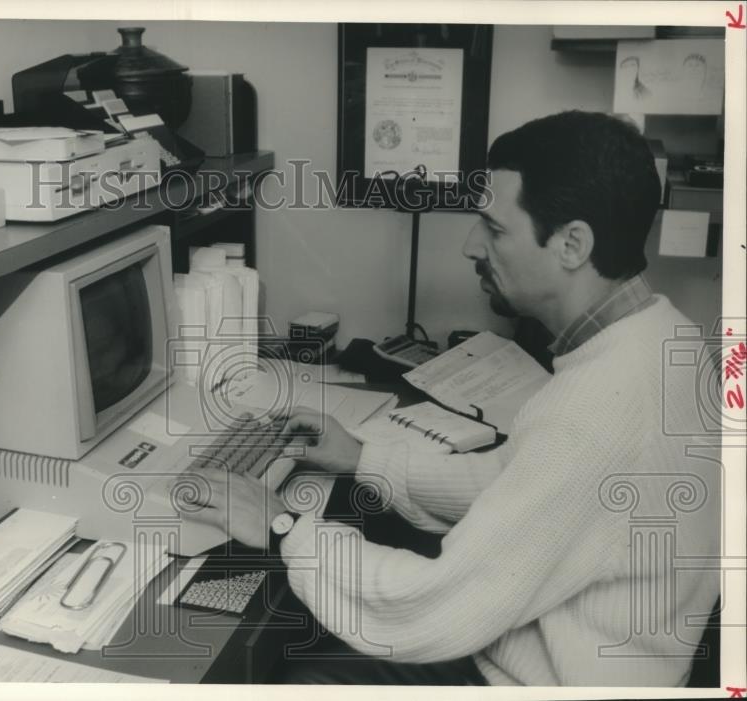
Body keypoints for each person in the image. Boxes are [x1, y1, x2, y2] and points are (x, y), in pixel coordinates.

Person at [178, 111, 721, 686]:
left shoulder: (601, 412)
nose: (471, 244)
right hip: (595, 657)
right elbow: (517, 484)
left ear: (571, 244)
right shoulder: (667, 339)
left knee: (292, 676)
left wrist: (282, 525)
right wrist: (365, 458)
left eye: (494, 227)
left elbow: (428, 605)